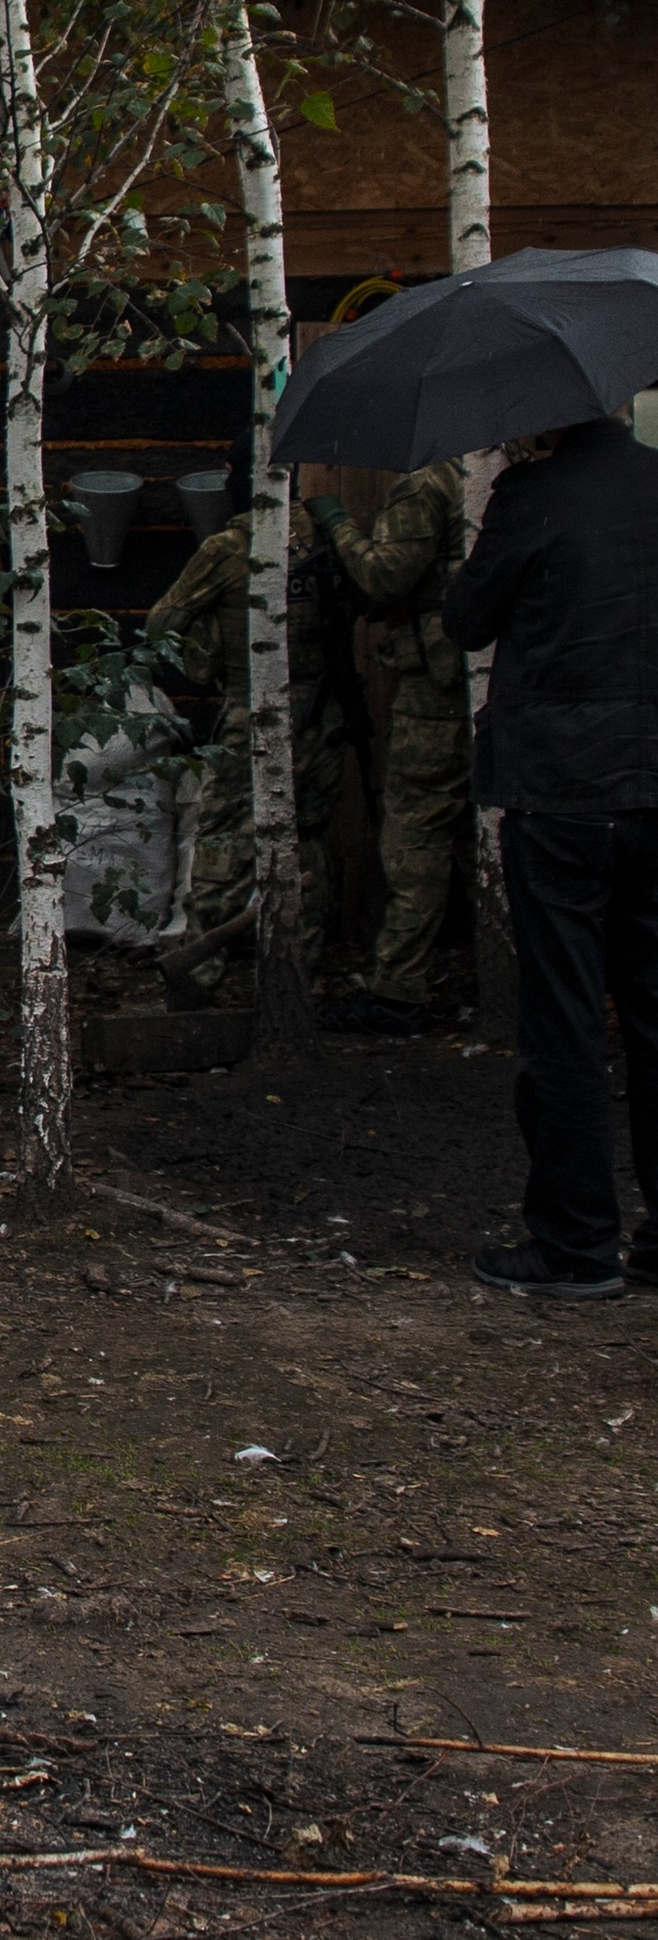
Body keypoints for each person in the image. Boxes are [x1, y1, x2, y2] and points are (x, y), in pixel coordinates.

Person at [441, 409, 658, 1299]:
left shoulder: (531, 496)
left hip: (562, 791)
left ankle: (576, 1242)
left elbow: (466, 619)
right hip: (655, 783)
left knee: (565, 1017)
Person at [144, 502, 357, 998]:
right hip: (325, 711)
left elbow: (162, 623)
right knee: (307, 836)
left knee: (222, 836)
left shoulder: (228, 548)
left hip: (254, 711)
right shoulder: (331, 538)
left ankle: (199, 973)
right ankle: (296, 972)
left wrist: (210, 656)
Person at [317, 459, 469, 1033]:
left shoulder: (432, 479)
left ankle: (400, 989)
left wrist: (338, 526)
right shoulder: (516, 468)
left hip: (437, 691)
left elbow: (384, 576)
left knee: (417, 833)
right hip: (509, 685)